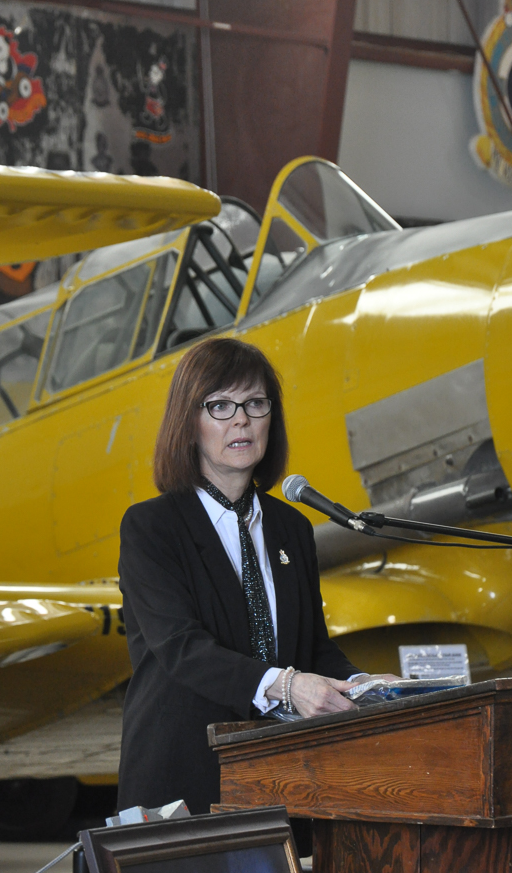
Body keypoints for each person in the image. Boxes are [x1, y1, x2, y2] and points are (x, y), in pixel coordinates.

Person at [117, 339, 394, 815]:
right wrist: (287, 686)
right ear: (188, 421)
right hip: (183, 775)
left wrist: (365, 686)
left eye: (255, 403)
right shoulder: (151, 527)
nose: (241, 420)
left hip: (280, 776)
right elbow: (182, 648)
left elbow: (312, 648)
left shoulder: (292, 527)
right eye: (220, 406)